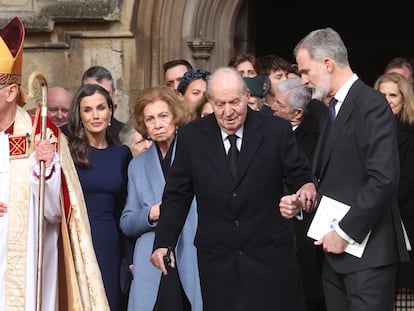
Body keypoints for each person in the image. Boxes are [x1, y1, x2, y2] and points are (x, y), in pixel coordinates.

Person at [150, 66, 317, 311]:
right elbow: (177, 195)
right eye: (219, 104)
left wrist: (302, 195)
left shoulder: (275, 130)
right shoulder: (191, 137)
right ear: (209, 101)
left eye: (235, 102)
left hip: (271, 259)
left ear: (247, 97)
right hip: (219, 263)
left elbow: (300, 176)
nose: (228, 112)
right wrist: (164, 241)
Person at [293, 27, 409, 311]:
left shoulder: (371, 104)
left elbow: (383, 179)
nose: (303, 80)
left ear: (328, 64)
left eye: (306, 71)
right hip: (333, 256)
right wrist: (307, 194)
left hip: (366, 255)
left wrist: (343, 232)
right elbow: (336, 175)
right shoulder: (333, 109)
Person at [0, 17, 109, 311]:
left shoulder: (42, 134)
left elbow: (55, 212)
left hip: (29, 264)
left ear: (11, 92)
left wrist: (46, 172)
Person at [120, 86, 202, 311]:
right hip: (152, 260)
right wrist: (151, 213)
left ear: (175, 117)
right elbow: (126, 222)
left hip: (191, 252)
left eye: (163, 116)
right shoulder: (137, 165)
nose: (157, 124)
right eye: (150, 119)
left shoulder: (195, 154)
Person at [67, 83, 132, 311]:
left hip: (110, 244)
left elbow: (124, 207)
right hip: (76, 241)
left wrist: (129, 256)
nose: (95, 115)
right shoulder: (67, 153)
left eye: (101, 108)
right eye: (88, 110)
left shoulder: (121, 154)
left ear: (110, 111)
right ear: (79, 115)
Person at [272, 77, 325, 311]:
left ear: (297, 114)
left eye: (280, 105)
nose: (272, 107)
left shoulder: (315, 138)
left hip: (303, 231)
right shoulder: (266, 129)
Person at [374, 72, 414, 311]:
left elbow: (410, 180)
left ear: (403, 99)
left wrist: (378, 203)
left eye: (393, 95)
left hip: (404, 218)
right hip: (374, 221)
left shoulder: (410, 135)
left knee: (404, 292)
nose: (388, 100)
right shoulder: (366, 130)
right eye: (382, 95)